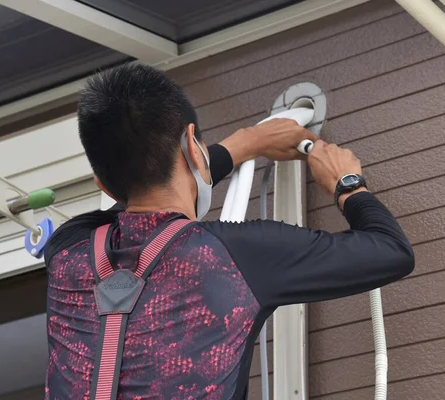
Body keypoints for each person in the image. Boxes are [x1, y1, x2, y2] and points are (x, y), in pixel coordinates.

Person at [43, 62, 414, 400]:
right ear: (192, 144)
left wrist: (244, 145)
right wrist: (347, 184)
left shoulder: (67, 253)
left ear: (102, 185)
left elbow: (139, 192)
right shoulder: (235, 256)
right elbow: (390, 250)